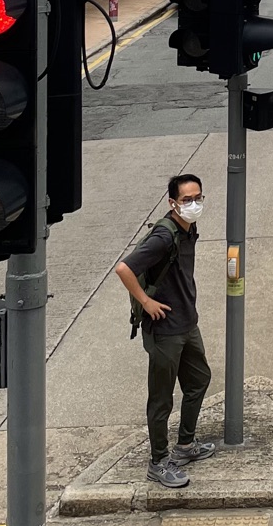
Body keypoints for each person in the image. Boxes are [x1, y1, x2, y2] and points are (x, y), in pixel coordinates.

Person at [115, 175, 217, 490]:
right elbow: (124, 268)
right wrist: (146, 302)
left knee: (199, 380)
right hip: (165, 331)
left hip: (187, 323)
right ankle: (158, 462)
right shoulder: (163, 236)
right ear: (172, 203)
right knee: (161, 400)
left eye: (198, 197)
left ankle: (185, 445)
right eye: (187, 200)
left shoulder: (189, 229)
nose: (194, 204)